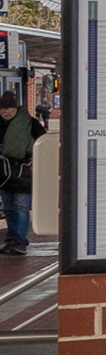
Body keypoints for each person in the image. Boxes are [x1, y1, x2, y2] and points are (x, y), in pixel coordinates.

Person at [0, 92, 45, 255]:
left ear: (16, 107)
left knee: (21, 207)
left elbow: (43, 141)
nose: (7, 112)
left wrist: (36, 155)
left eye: (10, 108)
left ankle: (20, 242)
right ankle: (11, 240)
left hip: (22, 171)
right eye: (4, 109)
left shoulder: (29, 123)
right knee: (9, 208)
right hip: (4, 173)